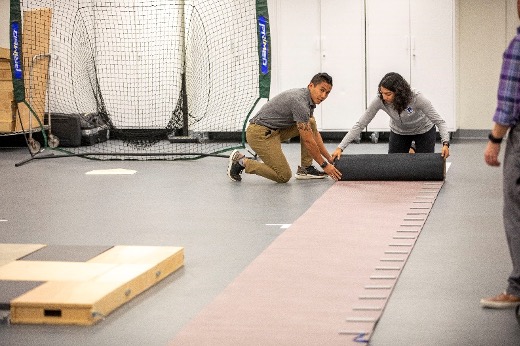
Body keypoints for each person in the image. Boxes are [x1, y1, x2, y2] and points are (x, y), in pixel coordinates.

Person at [227, 72, 342, 183]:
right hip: (259, 135)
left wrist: (329, 159)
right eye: (322, 90)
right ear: (311, 86)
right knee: (283, 175)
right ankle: (242, 161)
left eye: (327, 93)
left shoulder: (308, 99)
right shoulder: (300, 103)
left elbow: (314, 135)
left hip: (275, 131)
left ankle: (306, 169)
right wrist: (324, 165)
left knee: (310, 123)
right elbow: (308, 140)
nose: (323, 96)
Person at [480, 1, 520, 309]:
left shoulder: (518, 46)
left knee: (515, 208)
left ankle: (517, 286)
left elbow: (508, 101)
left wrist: (494, 139)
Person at [330, 72, 450, 161]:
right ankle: (411, 148)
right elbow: (361, 124)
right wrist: (340, 147)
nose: (384, 97)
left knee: (425, 166)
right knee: (394, 165)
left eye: (388, 94)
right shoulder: (380, 100)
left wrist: (445, 143)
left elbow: (440, 121)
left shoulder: (417, 98)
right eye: (382, 93)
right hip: (400, 132)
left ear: (399, 92)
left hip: (424, 130)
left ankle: (413, 147)